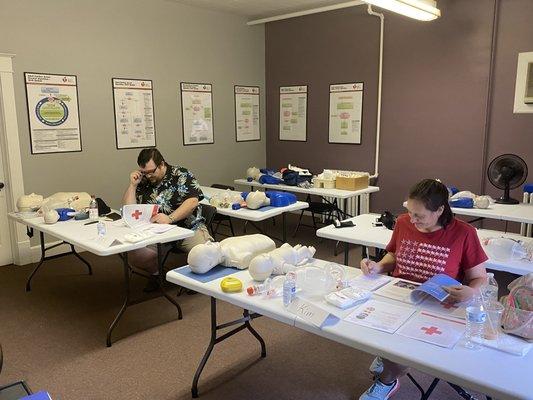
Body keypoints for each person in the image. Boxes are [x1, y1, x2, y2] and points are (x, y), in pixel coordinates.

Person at [358, 179, 488, 400]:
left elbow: (479, 278)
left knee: (401, 353)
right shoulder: (403, 223)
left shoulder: (464, 233)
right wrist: (378, 266)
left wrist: (471, 291)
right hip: (399, 294)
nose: (412, 219)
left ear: (439, 210)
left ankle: (387, 380)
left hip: (437, 304)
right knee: (366, 326)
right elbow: (395, 256)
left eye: (419, 215)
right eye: (410, 211)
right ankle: (387, 356)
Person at [122, 148, 212, 291]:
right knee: (135, 255)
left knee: (205, 253)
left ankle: (193, 279)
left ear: (162, 164)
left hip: (187, 226)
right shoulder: (143, 179)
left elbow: (193, 201)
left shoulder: (181, 174)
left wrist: (170, 218)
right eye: (144, 172)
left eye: (151, 171)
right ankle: (158, 274)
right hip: (156, 229)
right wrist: (133, 185)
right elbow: (129, 209)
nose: (148, 176)